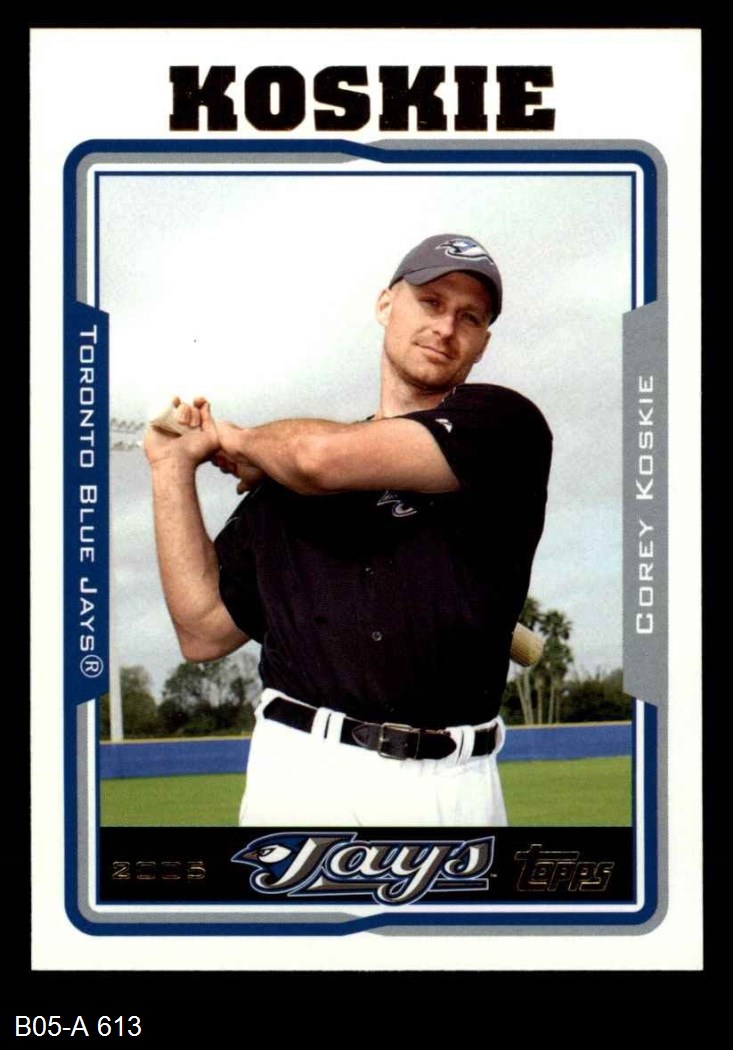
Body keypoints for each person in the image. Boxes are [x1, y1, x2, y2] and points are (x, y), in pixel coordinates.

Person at [144, 234, 552, 827]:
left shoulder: (504, 427)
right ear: (386, 304)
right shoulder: (284, 477)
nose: (445, 328)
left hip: (456, 784)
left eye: (470, 317)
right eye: (431, 302)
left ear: (483, 343)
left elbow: (318, 459)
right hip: (303, 775)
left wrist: (237, 440)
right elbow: (203, 631)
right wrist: (170, 469)